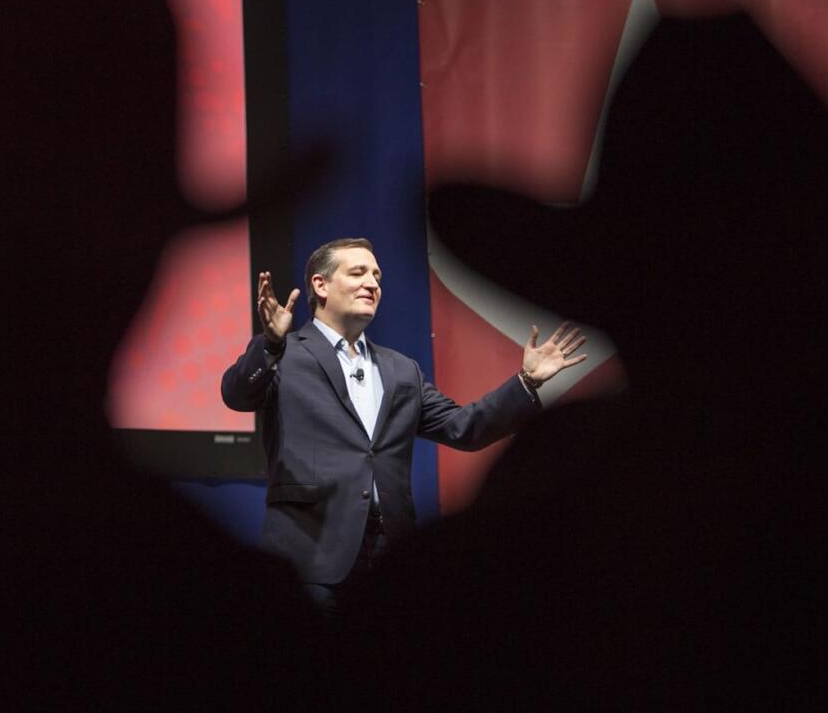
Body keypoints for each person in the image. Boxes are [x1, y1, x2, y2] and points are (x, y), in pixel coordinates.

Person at [221, 237, 586, 610]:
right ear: (321, 285)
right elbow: (236, 395)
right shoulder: (285, 353)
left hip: (388, 551)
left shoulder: (401, 369)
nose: (373, 284)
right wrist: (269, 344)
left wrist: (526, 381)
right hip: (311, 549)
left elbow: (465, 427)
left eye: (377, 276)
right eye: (358, 272)